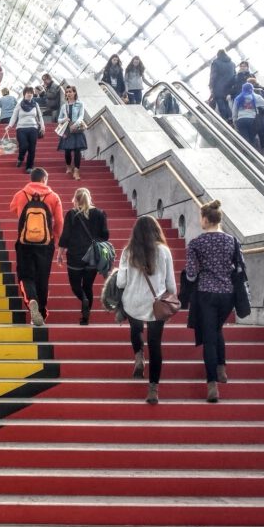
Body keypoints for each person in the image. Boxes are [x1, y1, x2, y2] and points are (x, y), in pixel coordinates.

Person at [185, 200, 242, 402]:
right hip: (228, 294)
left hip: (206, 293)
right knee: (217, 329)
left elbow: (191, 275)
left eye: (201, 217)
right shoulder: (232, 241)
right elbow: (238, 269)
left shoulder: (196, 243)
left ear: (207, 220)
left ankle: (212, 386)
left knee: (209, 339)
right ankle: (222, 368)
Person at [116, 216, 176, 404]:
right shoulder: (164, 251)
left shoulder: (128, 252)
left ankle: (139, 357)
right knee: (155, 344)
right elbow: (171, 285)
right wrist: (170, 300)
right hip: (155, 304)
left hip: (133, 302)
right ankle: (153, 389)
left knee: (135, 329)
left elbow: (121, 282)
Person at [10, 168, 64, 327]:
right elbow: (60, 222)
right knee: (42, 278)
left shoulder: (21, 194)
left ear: (31, 178)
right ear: (44, 179)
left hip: (24, 243)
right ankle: (40, 311)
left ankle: (31, 300)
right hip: (45, 245)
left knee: (25, 276)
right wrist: (53, 236)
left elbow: (13, 209)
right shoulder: (53, 197)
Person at [57, 188, 109, 325]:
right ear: (89, 197)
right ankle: (85, 318)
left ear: (75, 199)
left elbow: (66, 235)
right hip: (93, 256)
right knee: (88, 286)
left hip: (75, 255)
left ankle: (83, 299)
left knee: (76, 286)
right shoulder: (100, 213)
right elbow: (105, 235)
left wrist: (60, 253)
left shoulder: (71, 214)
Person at [6, 86, 44, 172]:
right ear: (24, 94)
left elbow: (39, 116)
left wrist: (42, 126)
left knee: (32, 148)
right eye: (28, 93)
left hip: (33, 128)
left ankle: (29, 167)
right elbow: (14, 116)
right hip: (21, 128)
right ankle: (21, 157)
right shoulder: (19, 105)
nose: (29, 94)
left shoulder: (35, 104)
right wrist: (9, 126)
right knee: (24, 145)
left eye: (31, 92)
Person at [231, 82, 264, 149]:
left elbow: (234, 112)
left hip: (241, 121)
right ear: (252, 89)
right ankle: (252, 153)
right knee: (251, 139)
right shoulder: (256, 97)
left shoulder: (238, 98)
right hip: (252, 120)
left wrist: (235, 121)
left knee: (244, 140)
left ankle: (245, 153)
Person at [57, 85, 88, 180]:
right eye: (67, 92)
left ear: (75, 93)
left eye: (70, 91)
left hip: (76, 128)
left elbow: (81, 116)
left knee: (77, 150)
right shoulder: (64, 106)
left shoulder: (80, 104)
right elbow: (59, 119)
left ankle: (76, 171)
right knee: (67, 150)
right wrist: (64, 119)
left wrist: (76, 124)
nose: (68, 93)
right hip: (67, 129)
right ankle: (68, 166)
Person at [209, 49, 236, 121]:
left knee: (220, 102)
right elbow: (234, 75)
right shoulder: (232, 63)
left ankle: (225, 119)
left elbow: (213, 76)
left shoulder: (215, 63)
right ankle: (230, 117)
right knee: (226, 103)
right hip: (229, 87)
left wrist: (211, 86)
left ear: (218, 55)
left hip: (218, 87)